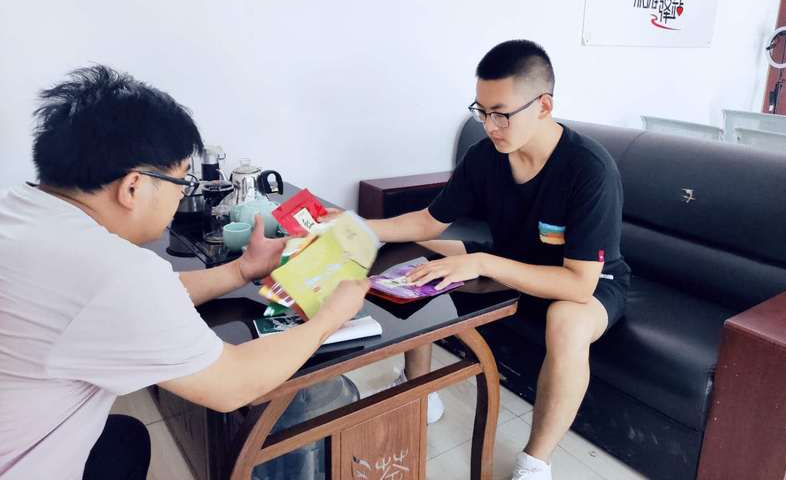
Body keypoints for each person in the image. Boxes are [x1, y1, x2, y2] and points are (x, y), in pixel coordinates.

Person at [0, 66, 369, 480]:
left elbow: (138, 302)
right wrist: (329, 319)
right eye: (181, 181)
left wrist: (242, 269)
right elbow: (234, 384)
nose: (182, 194)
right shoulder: (114, 274)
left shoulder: (19, 209)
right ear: (133, 187)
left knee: (125, 439)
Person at [364, 40, 631, 480]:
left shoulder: (589, 169)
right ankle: (421, 391)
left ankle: (535, 461)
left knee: (565, 321)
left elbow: (579, 283)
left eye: (501, 114)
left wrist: (483, 264)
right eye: (482, 112)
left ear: (544, 106)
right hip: (510, 261)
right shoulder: (486, 157)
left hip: (589, 283)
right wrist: (358, 227)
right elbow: (428, 222)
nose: (489, 126)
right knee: (419, 259)